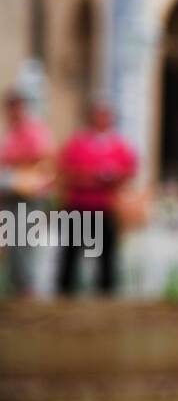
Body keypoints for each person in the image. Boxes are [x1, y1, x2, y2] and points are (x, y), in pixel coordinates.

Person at [56, 100, 136, 294]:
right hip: (78, 207)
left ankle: (106, 295)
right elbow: (66, 172)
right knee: (71, 254)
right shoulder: (77, 143)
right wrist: (93, 179)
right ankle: (65, 294)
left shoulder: (118, 145)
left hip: (104, 208)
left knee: (106, 256)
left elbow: (127, 172)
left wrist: (105, 179)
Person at [0, 90, 54, 297]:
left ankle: (26, 287)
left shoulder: (34, 129)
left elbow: (41, 154)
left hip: (30, 193)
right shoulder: (10, 132)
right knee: (13, 241)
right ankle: (18, 287)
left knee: (23, 240)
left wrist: (13, 162)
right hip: (12, 192)